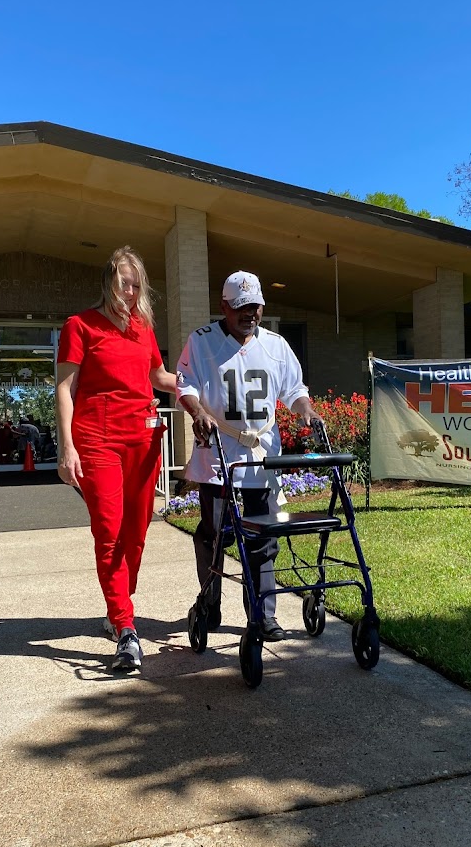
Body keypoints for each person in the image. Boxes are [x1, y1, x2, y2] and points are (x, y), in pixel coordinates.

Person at [176, 270, 321, 640]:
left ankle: (263, 613)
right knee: (213, 533)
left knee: (262, 534)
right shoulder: (202, 341)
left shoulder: (275, 344)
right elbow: (185, 384)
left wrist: (305, 409)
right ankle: (209, 602)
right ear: (224, 306)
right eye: (240, 307)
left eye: (254, 306)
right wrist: (198, 412)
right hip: (218, 454)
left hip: (260, 457)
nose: (249, 314)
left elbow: (294, 389)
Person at [56, 246, 176, 671]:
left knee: (137, 532)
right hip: (98, 441)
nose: (129, 291)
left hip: (143, 440)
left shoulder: (142, 328)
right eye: (123, 282)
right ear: (109, 281)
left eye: (136, 284)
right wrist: (67, 446)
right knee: (108, 533)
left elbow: (157, 377)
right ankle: (126, 629)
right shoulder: (80, 326)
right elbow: (64, 389)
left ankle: (117, 605)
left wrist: (195, 384)